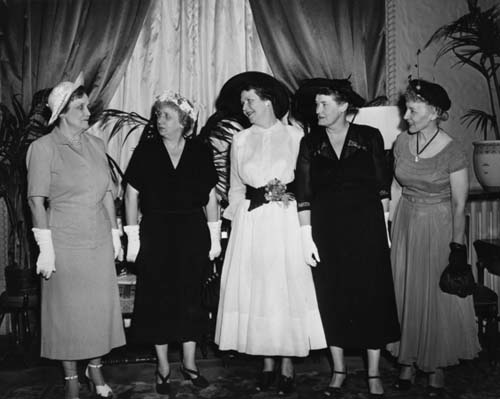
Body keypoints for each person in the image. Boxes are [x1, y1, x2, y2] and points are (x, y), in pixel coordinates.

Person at [215, 72, 326, 396]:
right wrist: (238, 222)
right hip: (252, 225)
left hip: (285, 223)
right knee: (260, 292)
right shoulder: (240, 140)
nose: (245, 108)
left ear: (268, 101)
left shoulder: (295, 135)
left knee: (284, 290)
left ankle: (288, 363)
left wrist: (293, 201)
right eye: (242, 103)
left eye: (250, 101)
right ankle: (266, 363)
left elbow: (307, 182)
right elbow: (236, 188)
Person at [295, 78, 400, 398]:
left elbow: (383, 186)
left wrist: (385, 228)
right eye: (316, 105)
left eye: (324, 104)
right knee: (332, 296)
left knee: (372, 296)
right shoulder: (310, 142)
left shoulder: (369, 137)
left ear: (343, 106)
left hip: (366, 227)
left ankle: (372, 373)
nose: (318, 110)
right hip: (327, 231)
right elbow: (303, 191)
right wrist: (305, 234)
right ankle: (338, 370)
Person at [26, 74, 125, 399]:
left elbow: (108, 194)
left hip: (97, 238)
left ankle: (95, 369)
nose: (87, 113)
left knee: (97, 310)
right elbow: (35, 200)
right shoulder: (43, 148)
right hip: (64, 241)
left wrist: (115, 234)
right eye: (80, 108)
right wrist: (45, 248)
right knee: (67, 313)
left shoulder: (96, 144)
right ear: (63, 113)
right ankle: (71, 379)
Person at [123, 91, 220, 395]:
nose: (159, 121)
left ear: (184, 122)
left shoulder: (199, 151)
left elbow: (211, 197)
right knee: (158, 298)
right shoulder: (147, 150)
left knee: (191, 297)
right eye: (158, 115)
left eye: (166, 116)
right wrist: (133, 237)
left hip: (192, 231)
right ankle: (163, 366)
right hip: (156, 230)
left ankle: (189, 364)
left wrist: (215, 237)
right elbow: (131, 194)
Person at [387, 79, 480, 396]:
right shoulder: (401, 142)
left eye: (412, 110)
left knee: (433, 297)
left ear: (435, 112)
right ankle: (407, 361)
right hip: (405, 225)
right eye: (407, 109)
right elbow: (397, 187)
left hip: (438, 227)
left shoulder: (453, 151)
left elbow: (458, 203)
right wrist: (391, 229)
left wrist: (456, 248)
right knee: (406, 292)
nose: (406, 116)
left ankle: (436, 365)